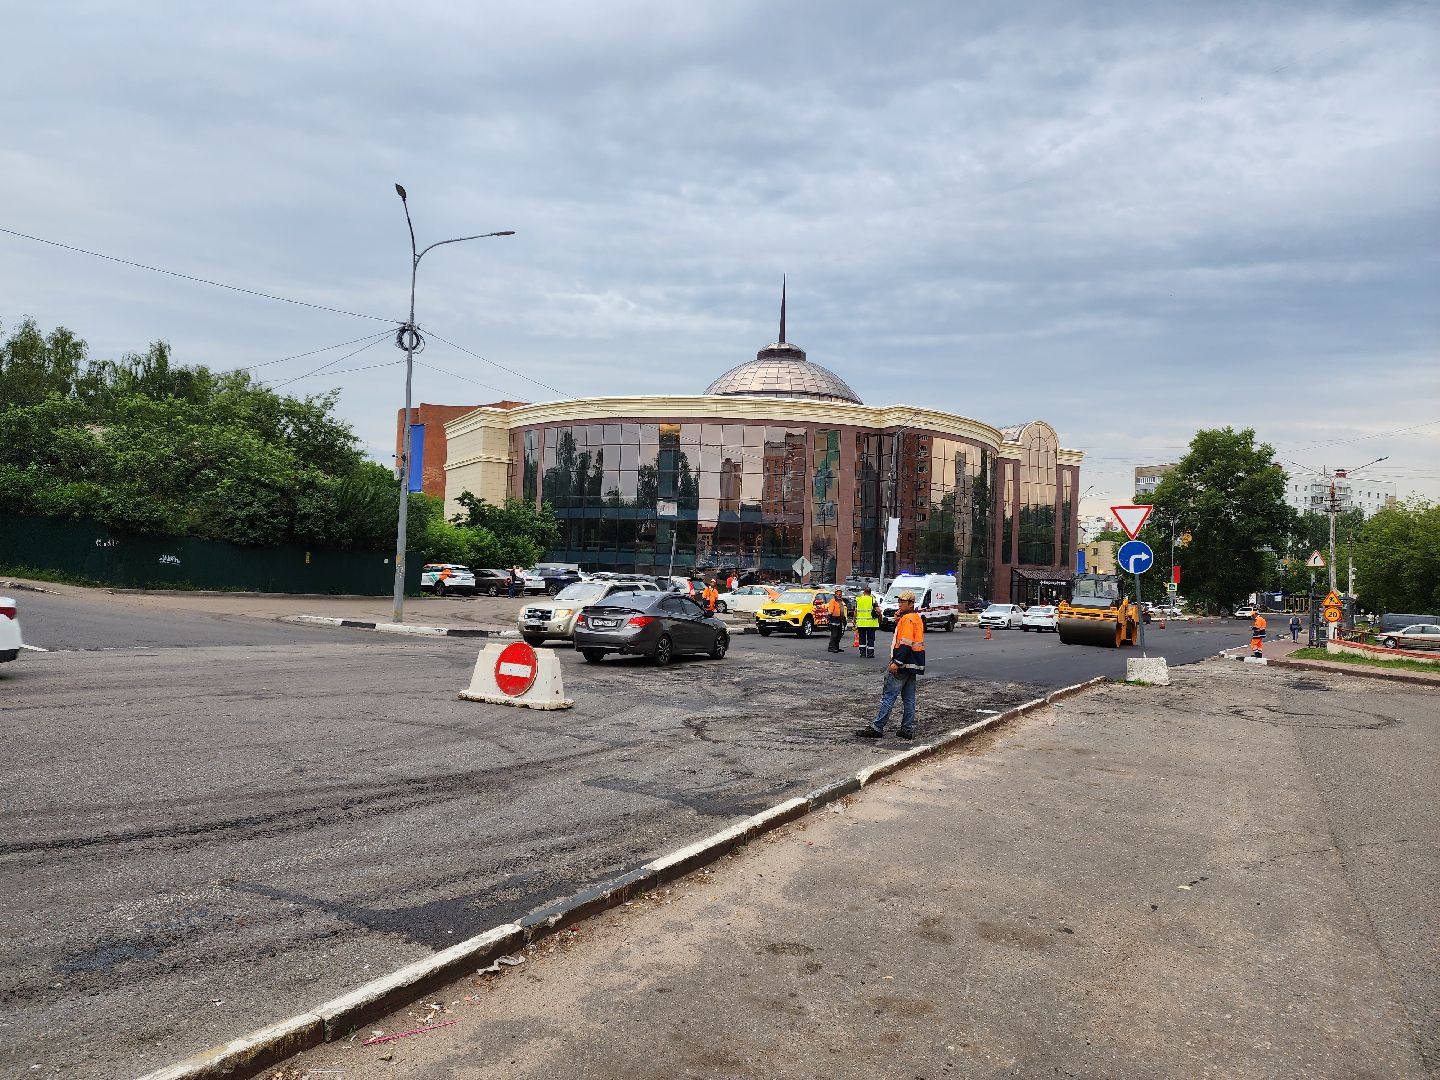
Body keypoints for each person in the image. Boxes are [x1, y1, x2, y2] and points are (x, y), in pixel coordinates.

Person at [857, 591, 925, 740]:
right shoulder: (915, 618)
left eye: (903, 601)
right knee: (909, 699)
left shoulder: (907, 619)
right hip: (913, 664)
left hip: (902, 664)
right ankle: (906, 729)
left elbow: (905, 643)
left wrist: (897, 662)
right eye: (899, 600)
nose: (899, 603)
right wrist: (898, 620)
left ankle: (877, 727)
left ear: (911, 603)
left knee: (888, 696)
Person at [853, 584, 879, 658]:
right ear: (870, 593)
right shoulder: (872, 599)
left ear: (864, 592)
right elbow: (878, 610)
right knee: (870, 639)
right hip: (871, 623)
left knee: (862, 638)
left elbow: (856, 611)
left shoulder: (859, 599)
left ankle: (862, 653)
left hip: (861, 623)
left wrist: (854, 620)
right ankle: (870, 654)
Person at [825, 588, 847, 653]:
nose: (839, 595)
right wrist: (829, 619)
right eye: (837, 594)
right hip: (834, 619)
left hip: (840, 619)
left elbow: (843, 610)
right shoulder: (833, 601)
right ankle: (831, 647)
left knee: (839, 634)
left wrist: (844, 619)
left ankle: (836, 647)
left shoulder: (841, 601)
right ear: (835, 594)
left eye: (840, 594)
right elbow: (830, 610)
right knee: (834, 634)